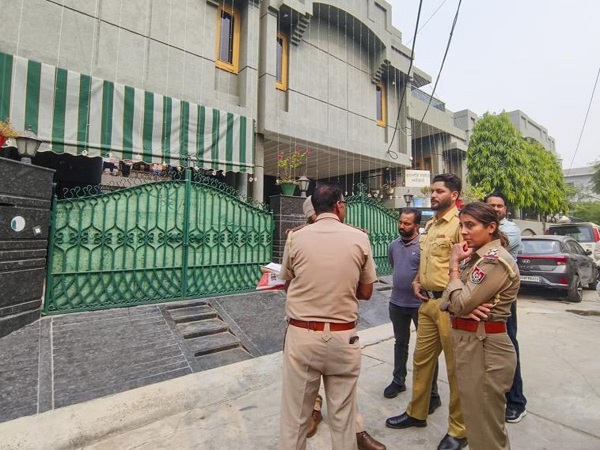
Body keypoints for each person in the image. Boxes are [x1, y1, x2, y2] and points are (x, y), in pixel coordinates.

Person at [279, 183, 378, 450]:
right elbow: (366, 292)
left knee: (294, 420)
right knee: (344, 421)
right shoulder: (359, 238)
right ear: (339, 206)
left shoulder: (295, 238)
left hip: (302, 337)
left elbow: (287, 283)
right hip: (343, 338)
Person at [385, 173, 467, 450]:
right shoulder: (431, 225)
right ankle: (417, 413)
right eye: (432, 190)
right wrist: (418, 279)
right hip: (427, 303)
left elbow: (467, 264)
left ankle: (459, 429)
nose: (433, 195)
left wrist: (461, 299)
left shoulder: (460, 224)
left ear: (454, 195)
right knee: (421, 361)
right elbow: (429, 260)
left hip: (449, 304)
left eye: (439, 191)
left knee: (455, 368)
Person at [440, 201, 520, 450]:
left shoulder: (494, 260)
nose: (463, 231)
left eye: (470, 225)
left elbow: (459, 302)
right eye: (462, 225)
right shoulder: (475, 259)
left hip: (485, 348)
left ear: (491, 227)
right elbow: (445, 302)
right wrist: (460, 302)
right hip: (471, 343)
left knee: (486, 432)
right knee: (476, 423)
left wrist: (454, 266)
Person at [384, 208, 442, 416]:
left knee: (427, 351)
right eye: (400, 222)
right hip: (397, 304)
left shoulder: (424, 246)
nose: (402, 226)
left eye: (407, 223)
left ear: (416, 226)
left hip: (420, 306)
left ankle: (432, 395)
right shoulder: (393, 245)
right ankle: (398, 381)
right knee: (400, 344)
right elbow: (394, 267)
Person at [485, 192, 528, 423]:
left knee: (508, 347)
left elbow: (489, 251)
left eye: (499, 206)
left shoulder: (511, 230)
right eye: (490, 205)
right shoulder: (483, 228)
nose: (495, 209)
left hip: (503, 298)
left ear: (505, 209)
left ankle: (517, 402)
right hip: (483, 295)